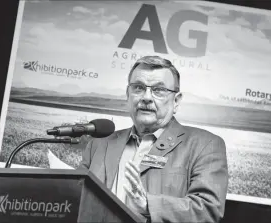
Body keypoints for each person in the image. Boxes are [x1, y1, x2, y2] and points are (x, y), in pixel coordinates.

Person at [79, 56, 228, 223]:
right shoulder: (98, 144)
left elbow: (208, 209)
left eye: (158, 90)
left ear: (176, 101)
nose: (147, 97)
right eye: (138, 88)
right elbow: (75, 198)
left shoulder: (205, 145)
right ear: (128, 95)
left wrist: (147, 205)